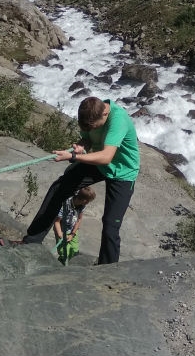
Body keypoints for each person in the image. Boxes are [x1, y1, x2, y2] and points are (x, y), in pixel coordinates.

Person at [22, 96, 139, 264]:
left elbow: (106, 157)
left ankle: (108, 270)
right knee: (60, 187)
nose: (90, 128)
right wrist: (82, 144)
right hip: (99, 164)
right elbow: (88, 138)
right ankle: (31, 241)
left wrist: (73, 156)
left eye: (93, 126)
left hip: (123, 172)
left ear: (105, 113)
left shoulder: (118, 120)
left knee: (110, 225)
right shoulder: (91, 115)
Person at [53, 187, 95, 265]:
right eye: (88, 201)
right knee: (64, 252)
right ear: (84, 200)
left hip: (73, 229)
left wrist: (72, 234)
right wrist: (60, 235)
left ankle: (65, 263)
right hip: (62, 230)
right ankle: (62, 265)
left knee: (74, 251)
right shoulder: (65, 205)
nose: (88, 203)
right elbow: (57, 221)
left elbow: (79, 219)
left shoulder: (82, 205)